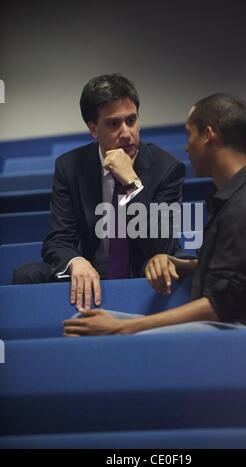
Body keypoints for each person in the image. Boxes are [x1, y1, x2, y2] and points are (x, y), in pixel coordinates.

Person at [63, 93, 246, 336]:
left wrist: (123, 327)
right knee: (81, 322)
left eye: (189, 134)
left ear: (208, 136)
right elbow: (233, 270)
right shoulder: (238, 196)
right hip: (231, 319)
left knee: (94, 331)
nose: (186, 146)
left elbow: (220, 305)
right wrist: (179, 264)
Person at [13, 74, 185, 310]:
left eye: (131, 120)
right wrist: (76, 261)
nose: (126, 133)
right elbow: (58, 239)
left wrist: (132, 184)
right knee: (28, 274)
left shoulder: (167, 168)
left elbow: (163, 247)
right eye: (114, 124)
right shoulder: (70, 167)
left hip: (145, 274)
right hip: (91, 273)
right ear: (93, 129)